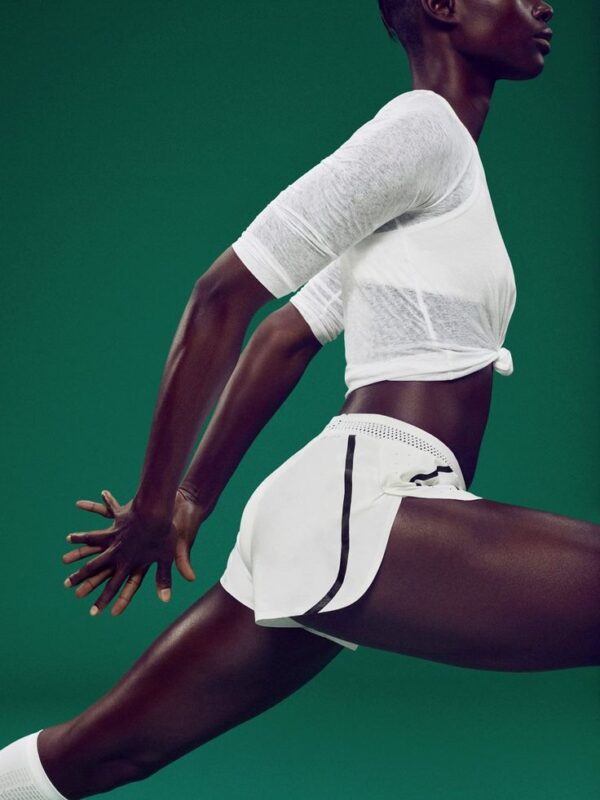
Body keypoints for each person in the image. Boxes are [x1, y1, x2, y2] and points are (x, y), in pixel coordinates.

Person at [1, 1, 598, 798]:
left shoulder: (434, 164)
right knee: (101, 752)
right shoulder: (422, 130)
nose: (542, 4)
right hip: (366, 505)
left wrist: (192, 501)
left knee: (92, 756)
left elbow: (286, 336)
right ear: (444, 6)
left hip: (347, 510)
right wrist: (155, 504)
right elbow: (222, 296)